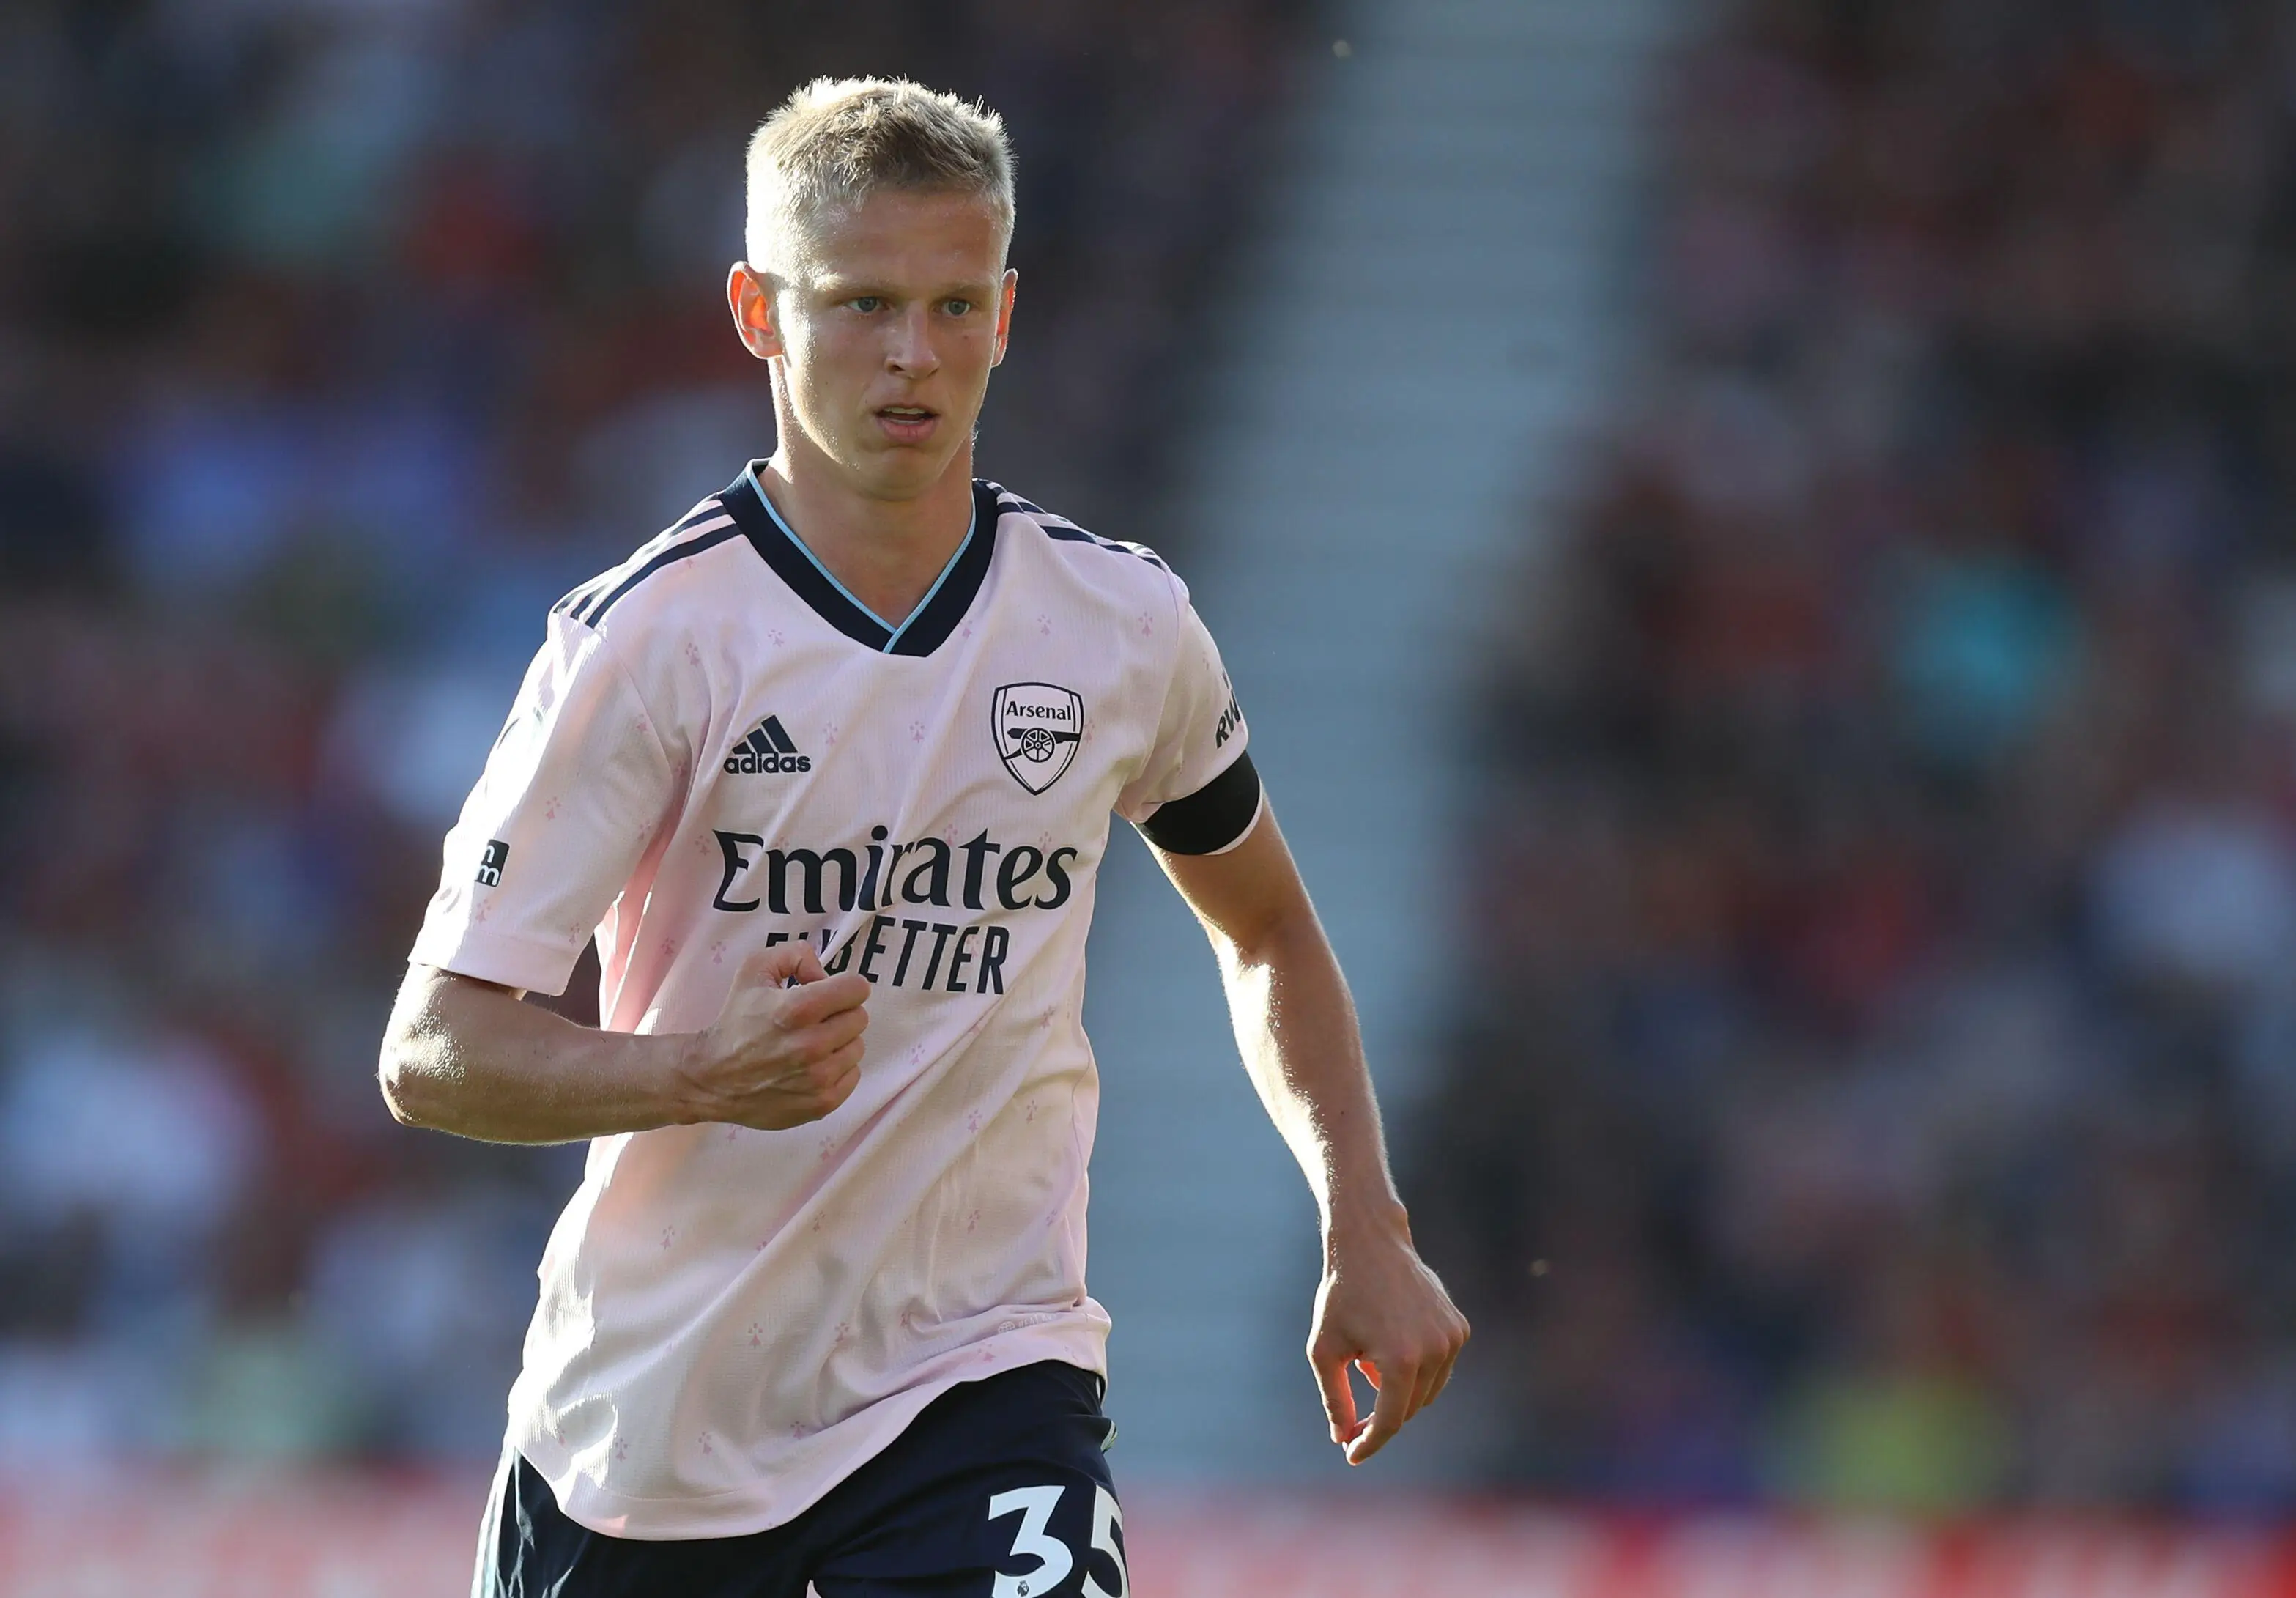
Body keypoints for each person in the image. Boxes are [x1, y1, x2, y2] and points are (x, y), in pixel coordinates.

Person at [378, 76, 1467, 1598]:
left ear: (1008, 313)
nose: (914, 355)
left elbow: (1267, 927)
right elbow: (432, 1051)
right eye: (862, 304)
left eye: (956, 306)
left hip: (983, 1383)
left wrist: (1366, 1223)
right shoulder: (646, 643)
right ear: (758, 310)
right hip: (658, 1434)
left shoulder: (1119, 625)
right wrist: (694, 1072)